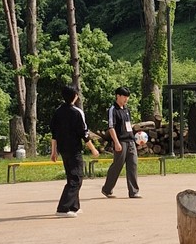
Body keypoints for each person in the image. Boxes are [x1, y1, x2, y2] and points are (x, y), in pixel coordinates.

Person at [50, 84, 99, 217]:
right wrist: (93, 149)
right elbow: (84, 133)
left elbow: (54, 134)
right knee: (76, 178)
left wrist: (53, 151)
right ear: (75, 96)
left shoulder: (58, 111)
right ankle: (63, 208)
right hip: (74, 149)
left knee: (71, 177)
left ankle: (74, 206)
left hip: (63, 149)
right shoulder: (77, 112)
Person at [101, 86, 141, 199]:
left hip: (130, 141)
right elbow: (111, 127)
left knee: (133, 165)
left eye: (127, 97)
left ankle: (134, 191)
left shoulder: (126, 110)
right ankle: (107, 189)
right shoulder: (113, 109)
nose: (126, 99)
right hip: (121, 141)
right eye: (124, 96)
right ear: (118, 96)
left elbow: (128, 126)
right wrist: (116, 142)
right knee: (117, 166)